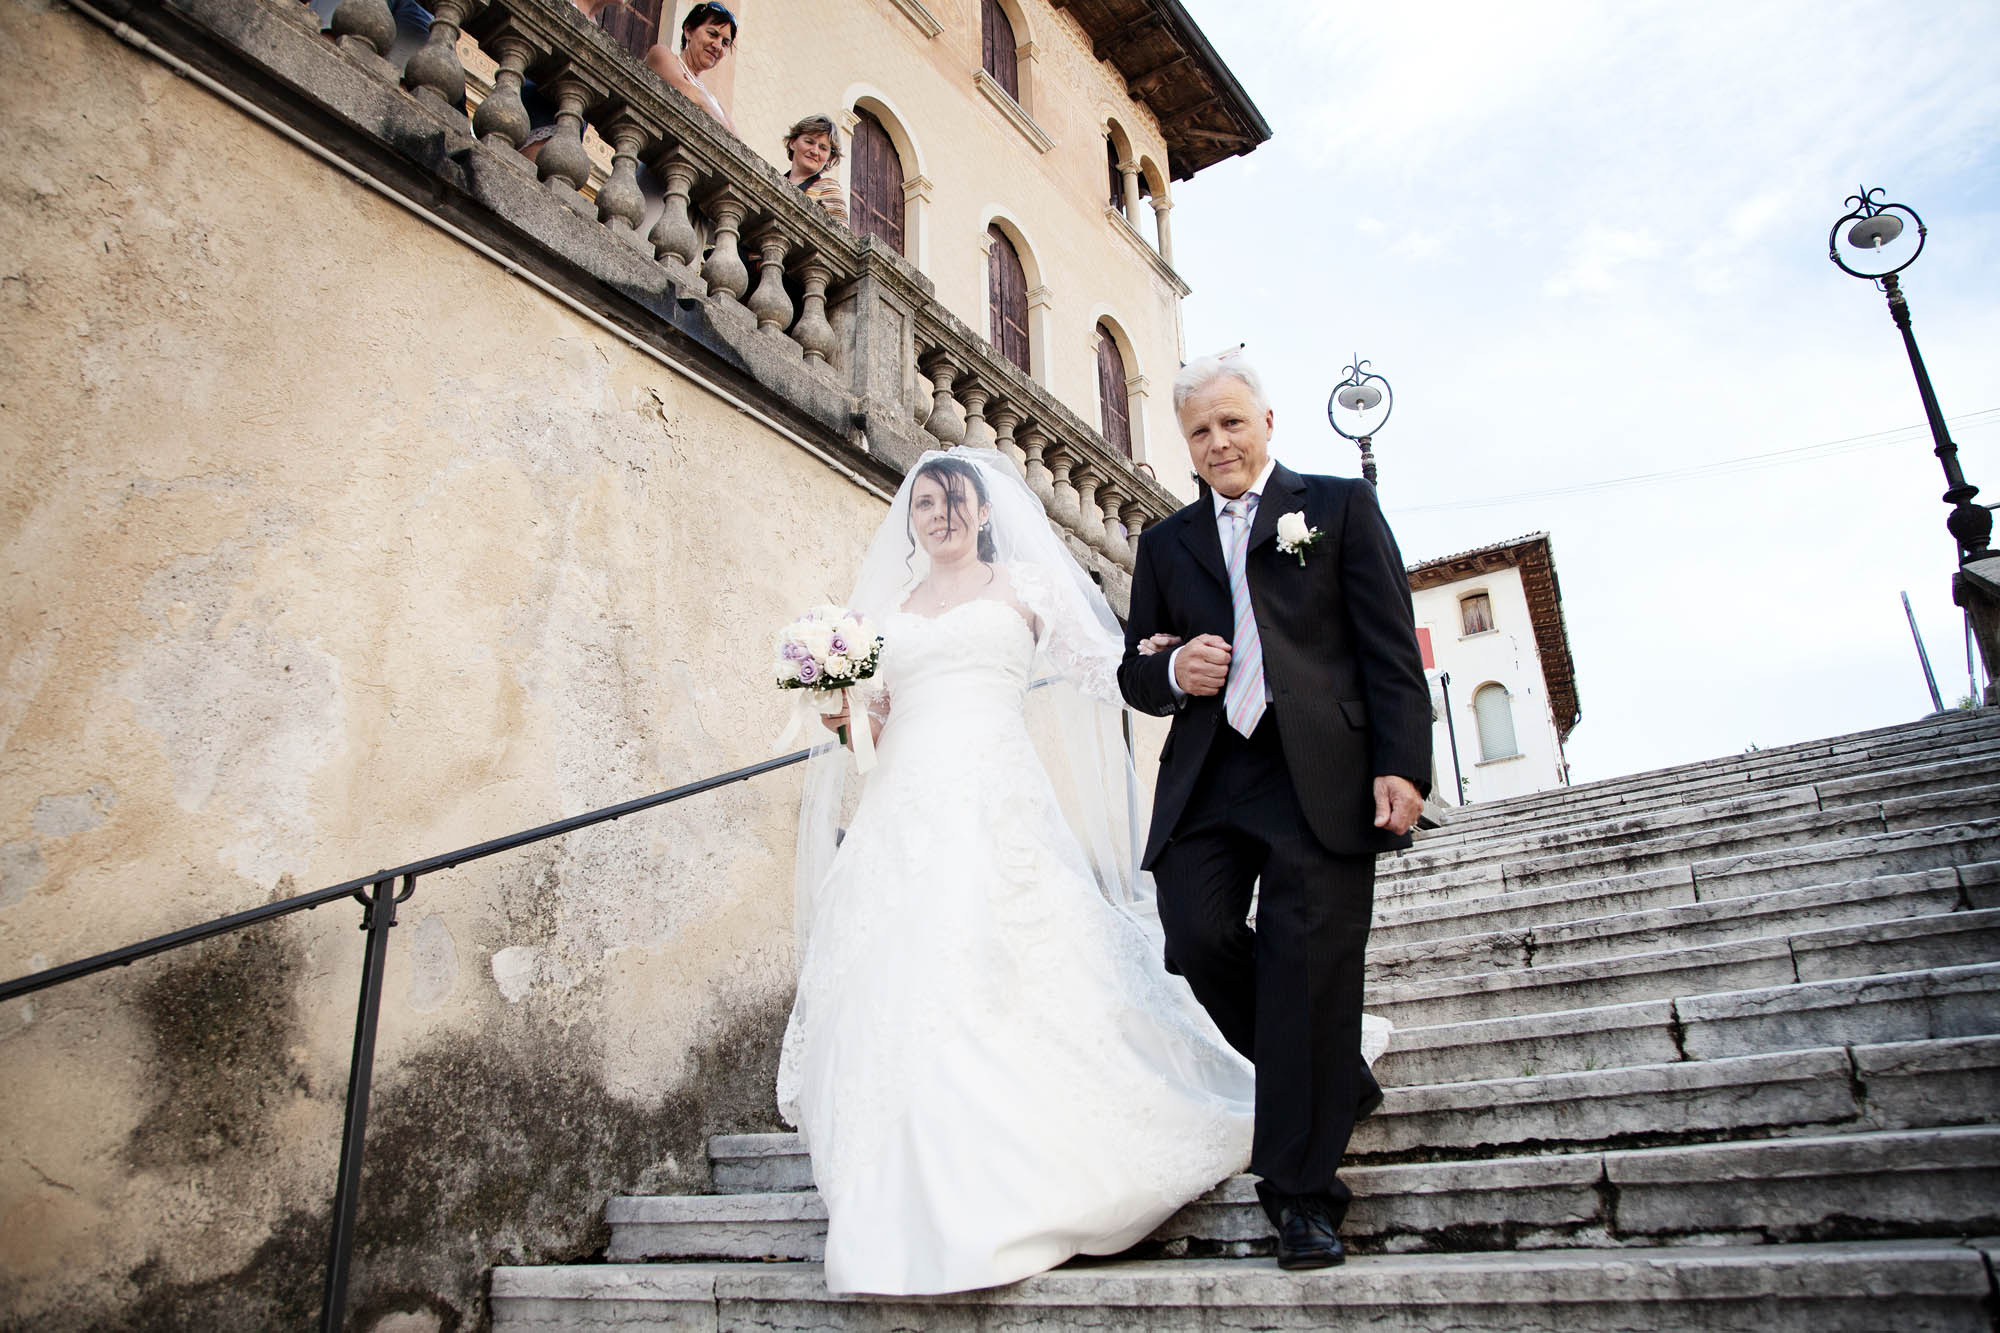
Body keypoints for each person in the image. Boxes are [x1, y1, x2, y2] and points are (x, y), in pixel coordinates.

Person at [779, 450, 1254, 1296]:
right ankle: (910, 1185)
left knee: (1007, 952)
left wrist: (1168, 666)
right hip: (906, 805)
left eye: (954, 500)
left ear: (983, 511)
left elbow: (1105, 670)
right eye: (925, 502)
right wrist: (841, 707)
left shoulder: (1026, 590)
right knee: (907, 973)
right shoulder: (887, 613)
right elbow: (876, 728)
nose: (939, 514)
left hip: (997, 792)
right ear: (911, 517)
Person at [1117, 350, 1431, 1271]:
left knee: (1306, 968)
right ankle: (1331, 1071)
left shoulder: (1336, 509)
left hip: (1321, 774)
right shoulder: (1165, 544)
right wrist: (1175, 670)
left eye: (1231, 423)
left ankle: (1302, 1199)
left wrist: (1402, 763)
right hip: (1213, 776)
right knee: (1196, 932)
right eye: (1199, 432)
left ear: (1264, 422)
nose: (1217, 442)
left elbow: (1388, 649)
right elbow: (1137, 667)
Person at [645, 1, 737, 133]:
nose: (717, 46)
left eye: (725, 43)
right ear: (688, 31)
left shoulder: (717, 104)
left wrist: (704, 101)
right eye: (712, 34)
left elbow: (736, 143)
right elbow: (697, 101)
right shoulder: (662, 55)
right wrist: (703, 101)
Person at [782, 115, 848, 225]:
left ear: (829, 158)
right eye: (809, 142)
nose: (814, 151)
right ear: (792, 143)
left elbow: (841, 236)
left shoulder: (828, 188)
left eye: (823, 148)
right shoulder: (776, 181)